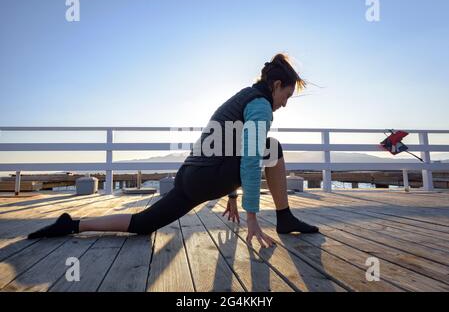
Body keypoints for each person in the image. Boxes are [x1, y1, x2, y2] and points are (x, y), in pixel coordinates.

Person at [28, 53, 319, 248]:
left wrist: (231, 194)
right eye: (286, 95)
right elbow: (251, 159)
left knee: (144, 223)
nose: (284, 103)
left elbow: (233, 148)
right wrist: (252, 218)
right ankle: (284, 217)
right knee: (272, 147)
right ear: (277, 85)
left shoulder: (244, 97)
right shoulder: (260, 104)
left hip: (191, 177)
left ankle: (73, 224)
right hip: (207, 177)